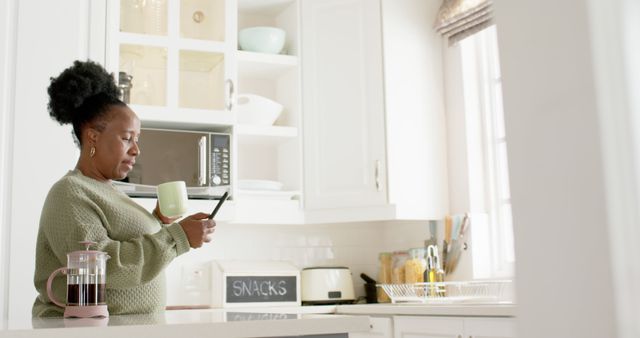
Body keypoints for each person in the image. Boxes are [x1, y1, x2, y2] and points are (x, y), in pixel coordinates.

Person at [32, 60, 216, 317]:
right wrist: (178, 237)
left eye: (137, 140)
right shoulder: (69, 192)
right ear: (93, 136)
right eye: (127, 138)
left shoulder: (110, 191)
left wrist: (159, 221)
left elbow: (130, 248)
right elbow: (104, 265)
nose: (136, 150)